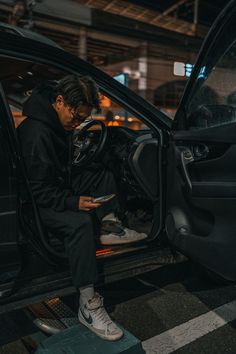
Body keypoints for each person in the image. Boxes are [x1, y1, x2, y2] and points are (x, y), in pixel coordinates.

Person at [17, 74, 147, 341]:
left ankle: (108, 224)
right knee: (79, 223)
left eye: (82, 120)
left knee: (104, 176)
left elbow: (61, 173)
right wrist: (73, 202)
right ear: (60, 101)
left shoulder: (56, 123)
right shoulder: (37, 133)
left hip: (55, 189)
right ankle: (88, 303)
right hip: (35, 206)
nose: (77, 124)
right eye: (76, 117)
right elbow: (38, 191)